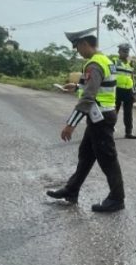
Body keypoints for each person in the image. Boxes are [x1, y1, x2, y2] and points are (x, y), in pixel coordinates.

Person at [46, 27, 125, 213]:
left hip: (101, 118)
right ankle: (71, 190)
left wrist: (70, 125)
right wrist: (75, 86)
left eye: (77, 47)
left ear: (84, 43)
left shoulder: (94, 64)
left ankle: (117, 198)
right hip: (101, 116)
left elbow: (88, 98)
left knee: (108, 159)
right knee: (86, 155)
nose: (77, 51)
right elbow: (94, 85)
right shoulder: (105, 60)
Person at [112, 43, 136, 139]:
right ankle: (109, 131)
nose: (126, 53)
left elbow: (132, 77)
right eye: (124, 51)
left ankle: (129, 132)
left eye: (127, 51)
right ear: (119, 51)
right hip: (117, 90)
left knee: (128, 113)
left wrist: (134, 90)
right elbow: (110, 75)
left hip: (128, 91)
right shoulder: (114, 61)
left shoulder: (130, 63)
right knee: (114, 112)